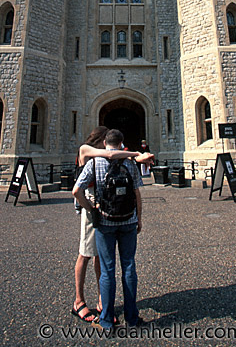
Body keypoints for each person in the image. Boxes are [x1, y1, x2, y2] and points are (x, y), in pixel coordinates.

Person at [72, 127, 153, 323]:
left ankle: (104, 303)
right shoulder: (86, 150)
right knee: (86, 253)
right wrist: (136, 154)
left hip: (104, 211)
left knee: (102, 258)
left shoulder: (101, 160)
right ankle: (79, 301)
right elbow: (110, 154)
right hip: (92, 206)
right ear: (100, 140)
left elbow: (112, 154)